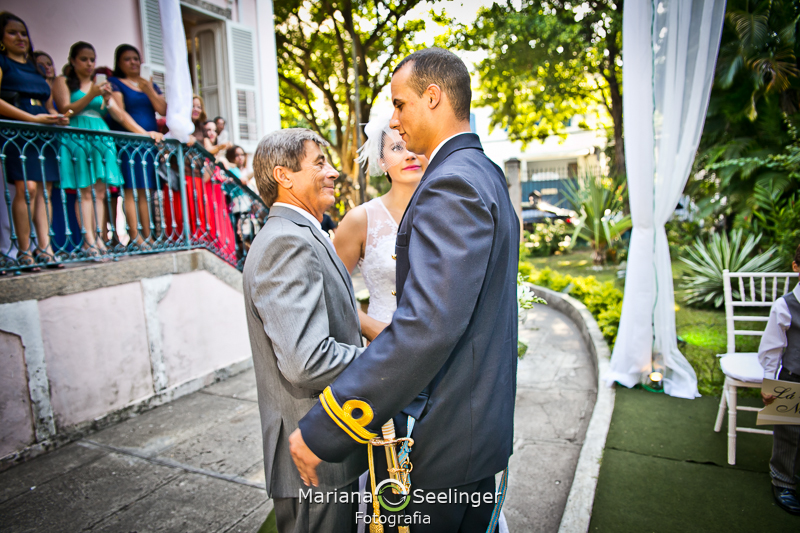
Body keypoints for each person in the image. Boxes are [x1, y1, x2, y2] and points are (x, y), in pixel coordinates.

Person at [291, 47, 520, 532]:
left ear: (433, 97)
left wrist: (327, 426)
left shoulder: (451, 184)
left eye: (399, 104)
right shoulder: (484, 173)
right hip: (475, 422)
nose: (393, 119)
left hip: (447, 430)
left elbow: (427, 327)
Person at [243, 128, 367, 533]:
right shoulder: (286, 243)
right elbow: (307, 361)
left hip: (326, 448)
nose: (332, 172)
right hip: (314, 458)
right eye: (320, 163)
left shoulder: (299, 234)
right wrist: (387, 360)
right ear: (284, 176)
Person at [334, 112, 426, 327]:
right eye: (396, 148)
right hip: (383, 347)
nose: (409, 155)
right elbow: (332, 293)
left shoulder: (448, 212)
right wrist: (372, 331)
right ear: (382, 162)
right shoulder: (360, 219)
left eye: (413, 145)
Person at [0, 11, 68, 270]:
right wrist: (31, 120)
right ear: (1, 38)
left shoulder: (34, 67)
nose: (20, 37)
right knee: (26, 188)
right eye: (12, 32)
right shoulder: (3, 63)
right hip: (19, 130)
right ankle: (23, 250)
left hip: (44, 132)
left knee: (45, 191)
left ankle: (45, 248)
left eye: (23, 33)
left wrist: (55, 116)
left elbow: (46, 102)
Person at [53, 41, 132, 256]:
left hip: (100, 135)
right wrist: (91, 94)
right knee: (84, 190)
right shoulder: (63, 82)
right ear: (73, 60)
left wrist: (106, 100)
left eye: (92, 60)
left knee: (99, 192)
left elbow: (118, 115)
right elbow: (65, 109)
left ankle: (99, 237)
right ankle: (87, 240)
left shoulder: (102, 86)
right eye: (84, 59)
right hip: (77, 134)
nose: (89, 64)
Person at [106, 44, 165, 248]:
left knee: (145, 190)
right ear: (119, 63)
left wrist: (148, 89)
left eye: (136, 58)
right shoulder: (115, 83)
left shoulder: (147, 84)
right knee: (130, 190)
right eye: (127, 59)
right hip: (130, 142)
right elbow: (120, 114)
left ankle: (147, 236)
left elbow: (163, 108)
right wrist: (143, 134)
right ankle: (136, 237)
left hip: (149, 144)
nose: (133, 62)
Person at [759, 243, 800, 516]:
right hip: (792, 376)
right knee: (788, 432)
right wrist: (767, 380)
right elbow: (772, 347)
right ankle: (783, 480)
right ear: (796, 267)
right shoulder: (785, 306)